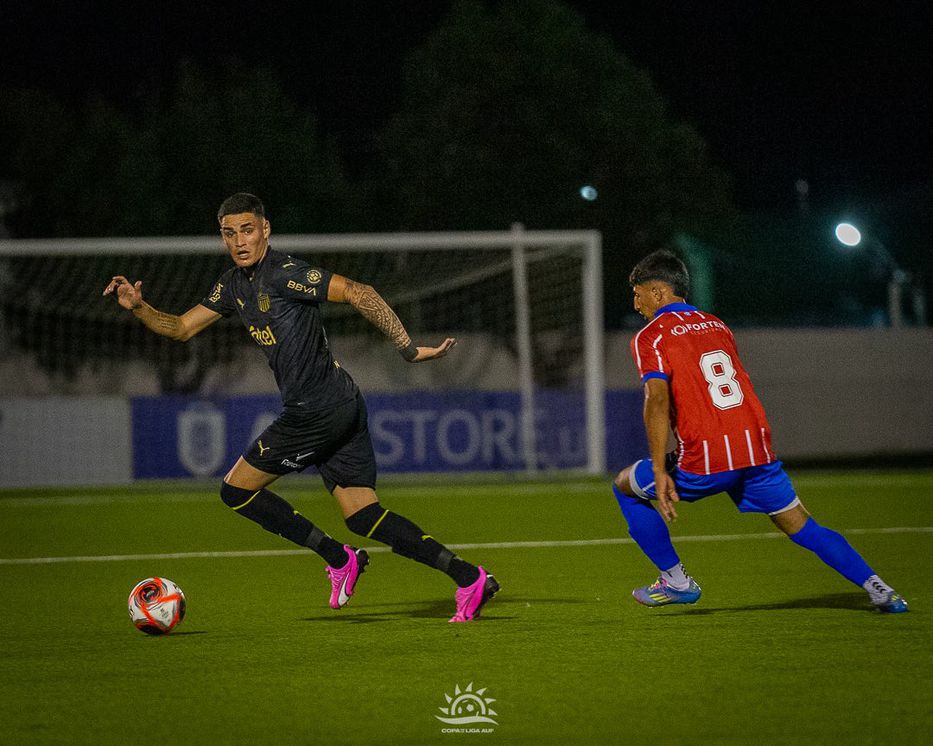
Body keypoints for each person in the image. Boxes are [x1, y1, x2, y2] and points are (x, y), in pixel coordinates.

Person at [103, 192, 499, 623]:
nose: (239, 241)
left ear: (265, 230)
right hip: (341, 400)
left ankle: (337, 558)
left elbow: (358, 291)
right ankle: (468, 578)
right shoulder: (233, 285)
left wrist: (406, 348)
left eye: (248, 230)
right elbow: (180, 327)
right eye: (229, 233)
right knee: (363, 514)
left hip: (317, 410)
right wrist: (140, 307)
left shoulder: (285, 274)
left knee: (235, 490)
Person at [611, 249, 907, 613]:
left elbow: (657, 400)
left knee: (625, 486)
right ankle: (881, 589)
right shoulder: (716, 324)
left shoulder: (651, 336)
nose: (636, 302)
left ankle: (676, 581)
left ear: (658, 292)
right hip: (754, 446)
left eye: (638, 293)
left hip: (707, 455)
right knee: (802, 526)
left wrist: (660, 468)